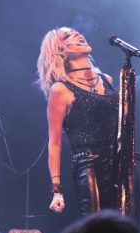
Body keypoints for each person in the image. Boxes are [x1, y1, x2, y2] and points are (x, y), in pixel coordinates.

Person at [37, 27, 119, 217]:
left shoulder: (106, 80)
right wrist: (57, 190)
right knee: (97, 227)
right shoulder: (60, 90)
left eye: (76, 32)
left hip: (119, 162)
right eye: (67, 36)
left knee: (126, 226)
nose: (78, 35)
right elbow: (54, 143)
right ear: (60, 51)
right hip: (89, 165)